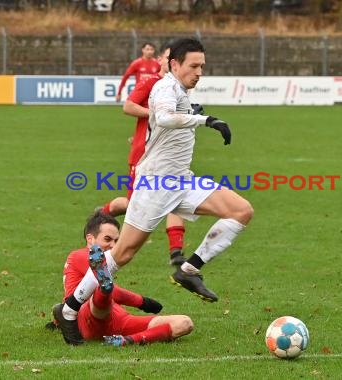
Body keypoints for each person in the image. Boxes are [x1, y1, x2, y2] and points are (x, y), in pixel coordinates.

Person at [55, 38, 253, 345]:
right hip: (156, 185)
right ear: (174, 64)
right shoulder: (164, 87)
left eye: (202, 66)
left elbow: (171, 118)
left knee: (241, 210)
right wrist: (206, 120)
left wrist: (192, 111)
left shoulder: (181, 91)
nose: (200, 71)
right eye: (194, 66)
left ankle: (188, 270)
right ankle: (69, 309)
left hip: (182, 181)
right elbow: (161, 117)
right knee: (122, 254)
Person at [101, 43, 191, 267]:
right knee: (135, 206)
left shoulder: (179, 89)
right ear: (162, 60)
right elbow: (128, 106)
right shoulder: (151, 82)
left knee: (175, 198)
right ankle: (103, 213)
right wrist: (157, 115)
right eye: (169, 58)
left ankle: (176, 252)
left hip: (168, 156)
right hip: (144, 155)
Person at [51, 211, 193, 346]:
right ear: (90, 238)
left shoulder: (101, 259)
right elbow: (116, 293)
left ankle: (126, 341)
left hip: (118, 319)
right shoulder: (80, 255)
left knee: (184, 323)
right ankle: (104, 288)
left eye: (116, 241)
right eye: (107, 239)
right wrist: (143, 302)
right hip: (88, 317)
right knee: (103, 290)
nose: (113, 245)